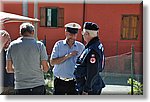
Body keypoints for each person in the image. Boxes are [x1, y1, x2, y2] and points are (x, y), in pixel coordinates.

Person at [6, 22, 50, 95]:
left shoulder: (12, 46)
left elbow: (9, 69)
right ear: (33, 32)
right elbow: (45, 68)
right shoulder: (39, 45)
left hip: (20, 86)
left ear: (20, 32)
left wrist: (21, 69)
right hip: (37, 85)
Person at [50, 22, 85, 95]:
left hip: (73, 82)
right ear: (65, 32)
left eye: (74, 34)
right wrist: (67, 56)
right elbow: (52, 62)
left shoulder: (81, 47)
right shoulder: (59, 45)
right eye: (70, 34)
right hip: (59, 81)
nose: (72, 37)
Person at [74, 22, 105, 95]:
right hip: (91, 84)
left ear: (87, 34)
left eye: (83, 33)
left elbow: (92, 71)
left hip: (90, 87)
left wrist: (86, 89)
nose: (82, 35)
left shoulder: (92, 50)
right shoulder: (94, 45)